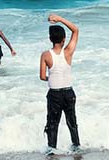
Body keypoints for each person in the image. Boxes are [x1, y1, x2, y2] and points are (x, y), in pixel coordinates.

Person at [40, 14, 80, 152]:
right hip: (69, 93)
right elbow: (75, 30)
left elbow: (42, 76)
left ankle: (52, 150)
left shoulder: (46, 55)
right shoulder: (68, 52)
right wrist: (60, 19)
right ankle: (76, 148)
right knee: (72, 122)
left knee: (53, 124)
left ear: (50, 39)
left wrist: (51, 78)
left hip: (54, 94)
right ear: (64, 39)